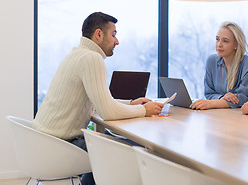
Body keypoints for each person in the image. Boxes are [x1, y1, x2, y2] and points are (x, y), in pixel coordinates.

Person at [33, 12, 164, 184]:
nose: (117, 41)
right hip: (60, 145)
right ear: (99, 34)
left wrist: (131, 103)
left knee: (113, 145)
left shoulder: (76, 54)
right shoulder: (91, 58)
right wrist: (143, 110)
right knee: (139, 150)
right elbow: (107, 112)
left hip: (42, 142)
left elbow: (96, 103)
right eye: (114, 34)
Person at [190, 22, 248, 110]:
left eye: (225, 41)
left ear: (236, 45)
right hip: (221, 115)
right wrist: (222, 98)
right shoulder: (211, 61)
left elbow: (245, 98)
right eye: (217, 39)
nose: (219, 44)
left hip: (245, 117)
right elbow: (209, 93)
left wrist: (212, 103)